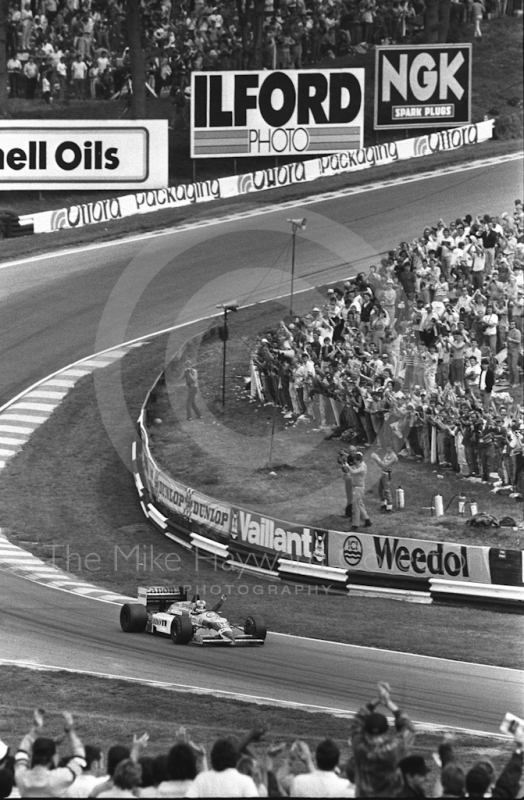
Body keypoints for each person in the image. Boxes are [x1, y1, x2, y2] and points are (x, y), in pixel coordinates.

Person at [349, 682, 415, 797]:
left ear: (365, 729)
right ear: (386, 730)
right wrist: (389, 704)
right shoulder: (394, 748)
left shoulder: (359, 745)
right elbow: (409, 728)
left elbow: (357, 720)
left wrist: (377, 700)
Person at [14, 709, 86, 797]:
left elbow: (21, 754)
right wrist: (70, 731)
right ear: (53, 757)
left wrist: (35, 730)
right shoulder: (60, 778)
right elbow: (80, 758)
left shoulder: (21, 777)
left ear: (33, 755)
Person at [185, 738, 259, 797]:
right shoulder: (246, 782)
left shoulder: (201, 779)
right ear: (235, 758)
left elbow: (207, 779)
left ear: (213, 757)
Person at [289, 739, 354, 797]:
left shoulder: (298, 782)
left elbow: (318, 782)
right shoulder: (348, 788)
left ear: (317, 758)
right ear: (337, 761)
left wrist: (308, 761)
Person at [344, 452, 371, 530]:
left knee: (356, 507)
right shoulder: (359, 464)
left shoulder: (362, 467)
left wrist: (347, 466)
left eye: (355, 460)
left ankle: (355, 525)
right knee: (360, 505)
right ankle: (367, 520)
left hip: (358, 488)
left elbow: (353, 472)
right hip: (356, 487)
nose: (353, 462)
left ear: (358, 460)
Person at [371, 445, 398, 512]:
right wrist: (377, 460)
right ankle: (383, 504)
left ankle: (389, 506)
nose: (387, 448)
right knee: (380, 489)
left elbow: (385, 465)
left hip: (386, 473)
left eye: (389, 447)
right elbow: (382, 465)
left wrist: (376, 458)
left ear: (392, 448)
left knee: (386, 490)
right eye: (387, 447)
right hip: (382, 472)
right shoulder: (387, 454)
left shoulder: (393, 456)